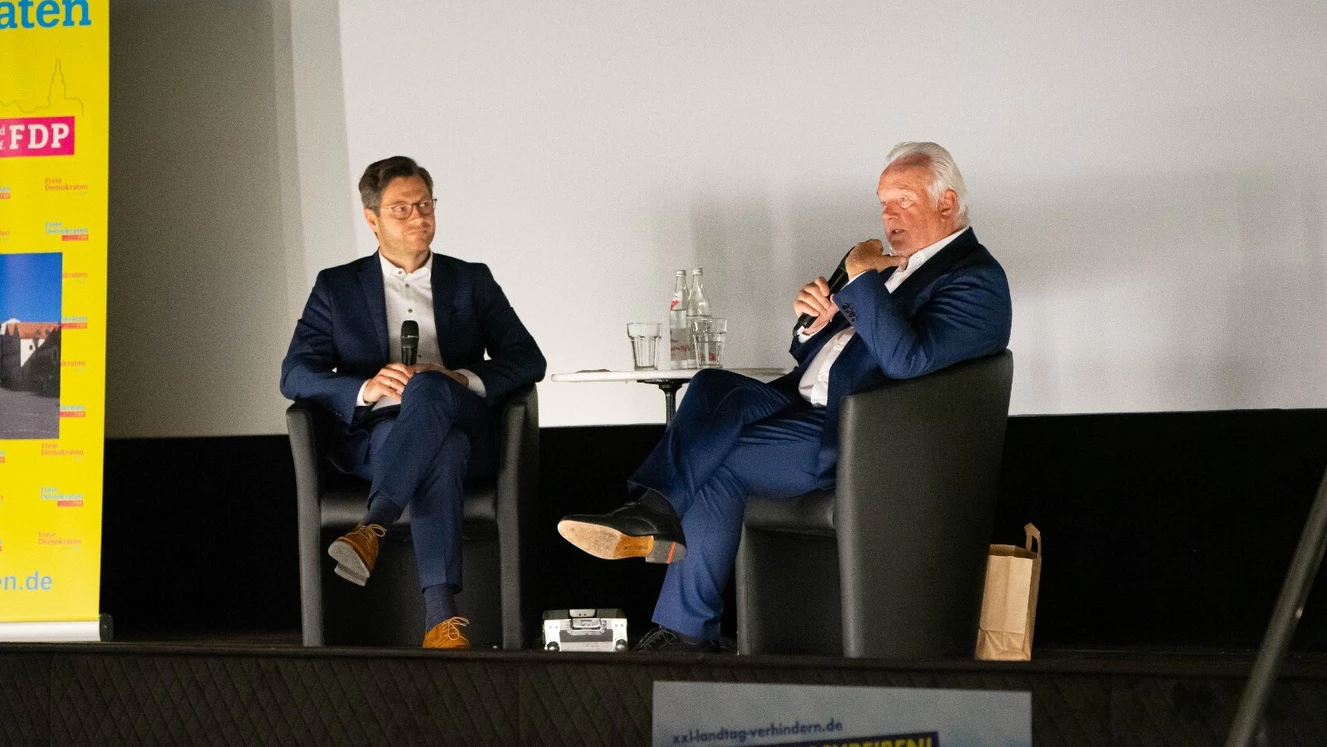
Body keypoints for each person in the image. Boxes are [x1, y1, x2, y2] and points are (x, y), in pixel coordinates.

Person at [558, 142, 1013, 651]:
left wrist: (862, 281)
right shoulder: (890, 266)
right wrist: (814, 325)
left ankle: (679, 611)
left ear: (946, 203)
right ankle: (655, 519)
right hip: (800, 404)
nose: (888, 216)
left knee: (715, 463)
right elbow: (825, 352)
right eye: (883, 202)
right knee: (711, 385)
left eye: (902, 201)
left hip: (859, 435)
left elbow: (907, 360)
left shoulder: (976, 279)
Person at [281, 156, 546, 649]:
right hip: (381, 433)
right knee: (443, 450)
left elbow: (529, 359)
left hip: (464, 416)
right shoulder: (337, 287)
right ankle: (441, 620)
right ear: (371, 219)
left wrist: (458, 377)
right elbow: (294, 373)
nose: (418, 217)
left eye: (425, 204)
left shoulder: (470, 279)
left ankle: (373, 525)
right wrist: (365, 387)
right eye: (401, 208)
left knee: (430, 387)